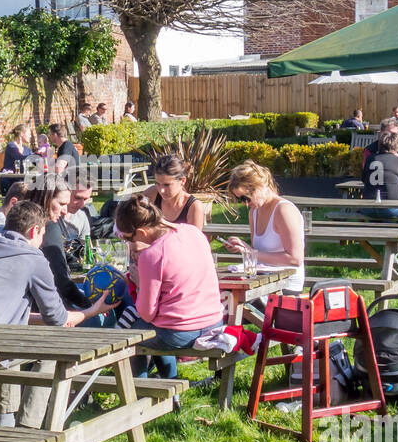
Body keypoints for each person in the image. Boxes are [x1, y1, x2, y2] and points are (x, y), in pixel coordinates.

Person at [0, 201, 110, 427]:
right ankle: (29, 426)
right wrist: (92, 311)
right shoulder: (33, 258)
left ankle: (7, 423)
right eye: (43, 235)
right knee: (51, 352)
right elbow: (58, 320)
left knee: (13, 341)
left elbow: (5, 313)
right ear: (34, 231)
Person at [114, 196, 225, 379]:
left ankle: (141, 393)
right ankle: (170, 389)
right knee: (156, 326)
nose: (128, 244)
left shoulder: (152, 255)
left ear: (141, 232)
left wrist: (140, 284)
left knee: (131, 333)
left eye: (127, 238)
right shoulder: (192, 232)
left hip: (179, 333)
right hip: (214, 322)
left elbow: (146, 313)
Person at [223, 160, 305, 294]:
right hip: (262, 282)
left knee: (231, 306)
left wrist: (250, 252)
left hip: (286, 287)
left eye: (246, 198)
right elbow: (260, 254)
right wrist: (244, 248)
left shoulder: (283, 210)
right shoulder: (254, 212)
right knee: (223, 299)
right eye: (240, 199)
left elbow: (295, 259)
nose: (244, 203)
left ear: (260, 186)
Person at [142, 152, 209, 228]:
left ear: (183, 181)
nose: (161, 190)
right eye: (157, 183)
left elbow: (193, 238)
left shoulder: (194, 207)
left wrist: (163, 223)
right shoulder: (151, 194)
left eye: (167, 185)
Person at [361, 129, 398, 219]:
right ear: (397, 146)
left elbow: (364, 180)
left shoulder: (370, 159)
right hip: (392, 208)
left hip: (368, 207)